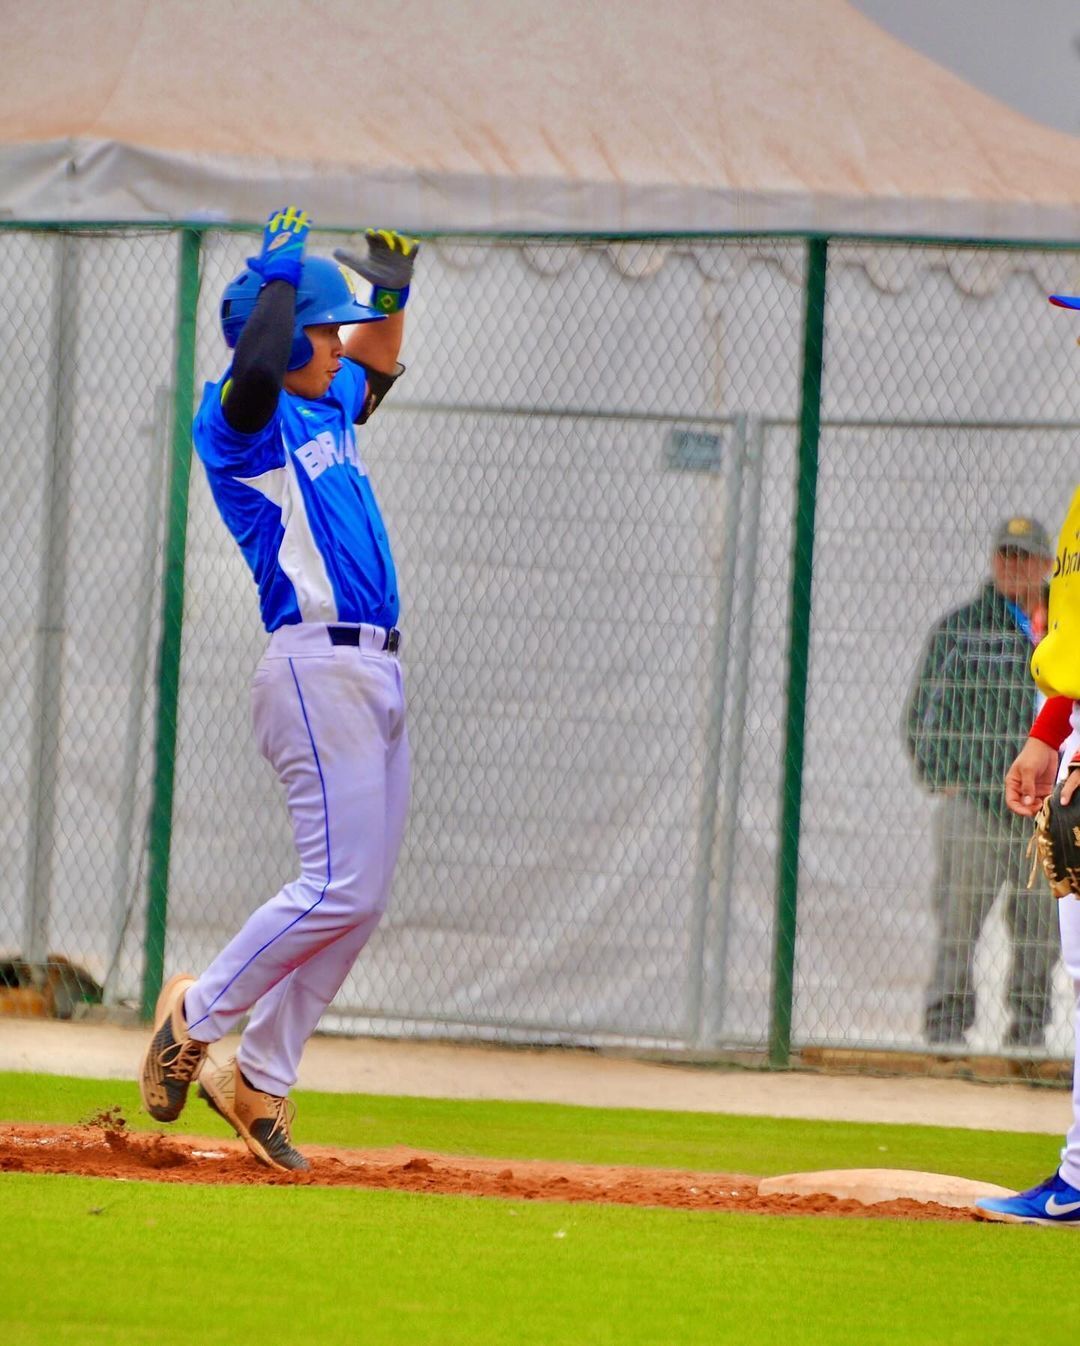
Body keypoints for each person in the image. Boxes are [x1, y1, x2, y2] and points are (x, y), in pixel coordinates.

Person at [138, 207, 418, 1171]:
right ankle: (196, 1015)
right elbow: (259, 372)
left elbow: (374, 358)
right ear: (285, 328)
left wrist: (391, 274)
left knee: (362, 897)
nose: (342, 349)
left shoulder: (329, 398)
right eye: (325, 332)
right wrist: (284, 279)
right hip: (314, 665)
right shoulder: (239, 420)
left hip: (375, 667)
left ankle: (259, 1074)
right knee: (334, 883)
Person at [904, 516, 1056, 1049]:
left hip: (1048, 812)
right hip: (978, 806)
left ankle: (1029, 1032)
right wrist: (943, 777)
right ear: (994, 561)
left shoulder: (1067, 634)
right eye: (1007, 555)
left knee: (1043, 931)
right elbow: (923, 714)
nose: (1015, 566)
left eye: (1027, 557)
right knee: (958, 922)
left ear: (1047, 565)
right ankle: (946, 1029)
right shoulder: (962, 629)